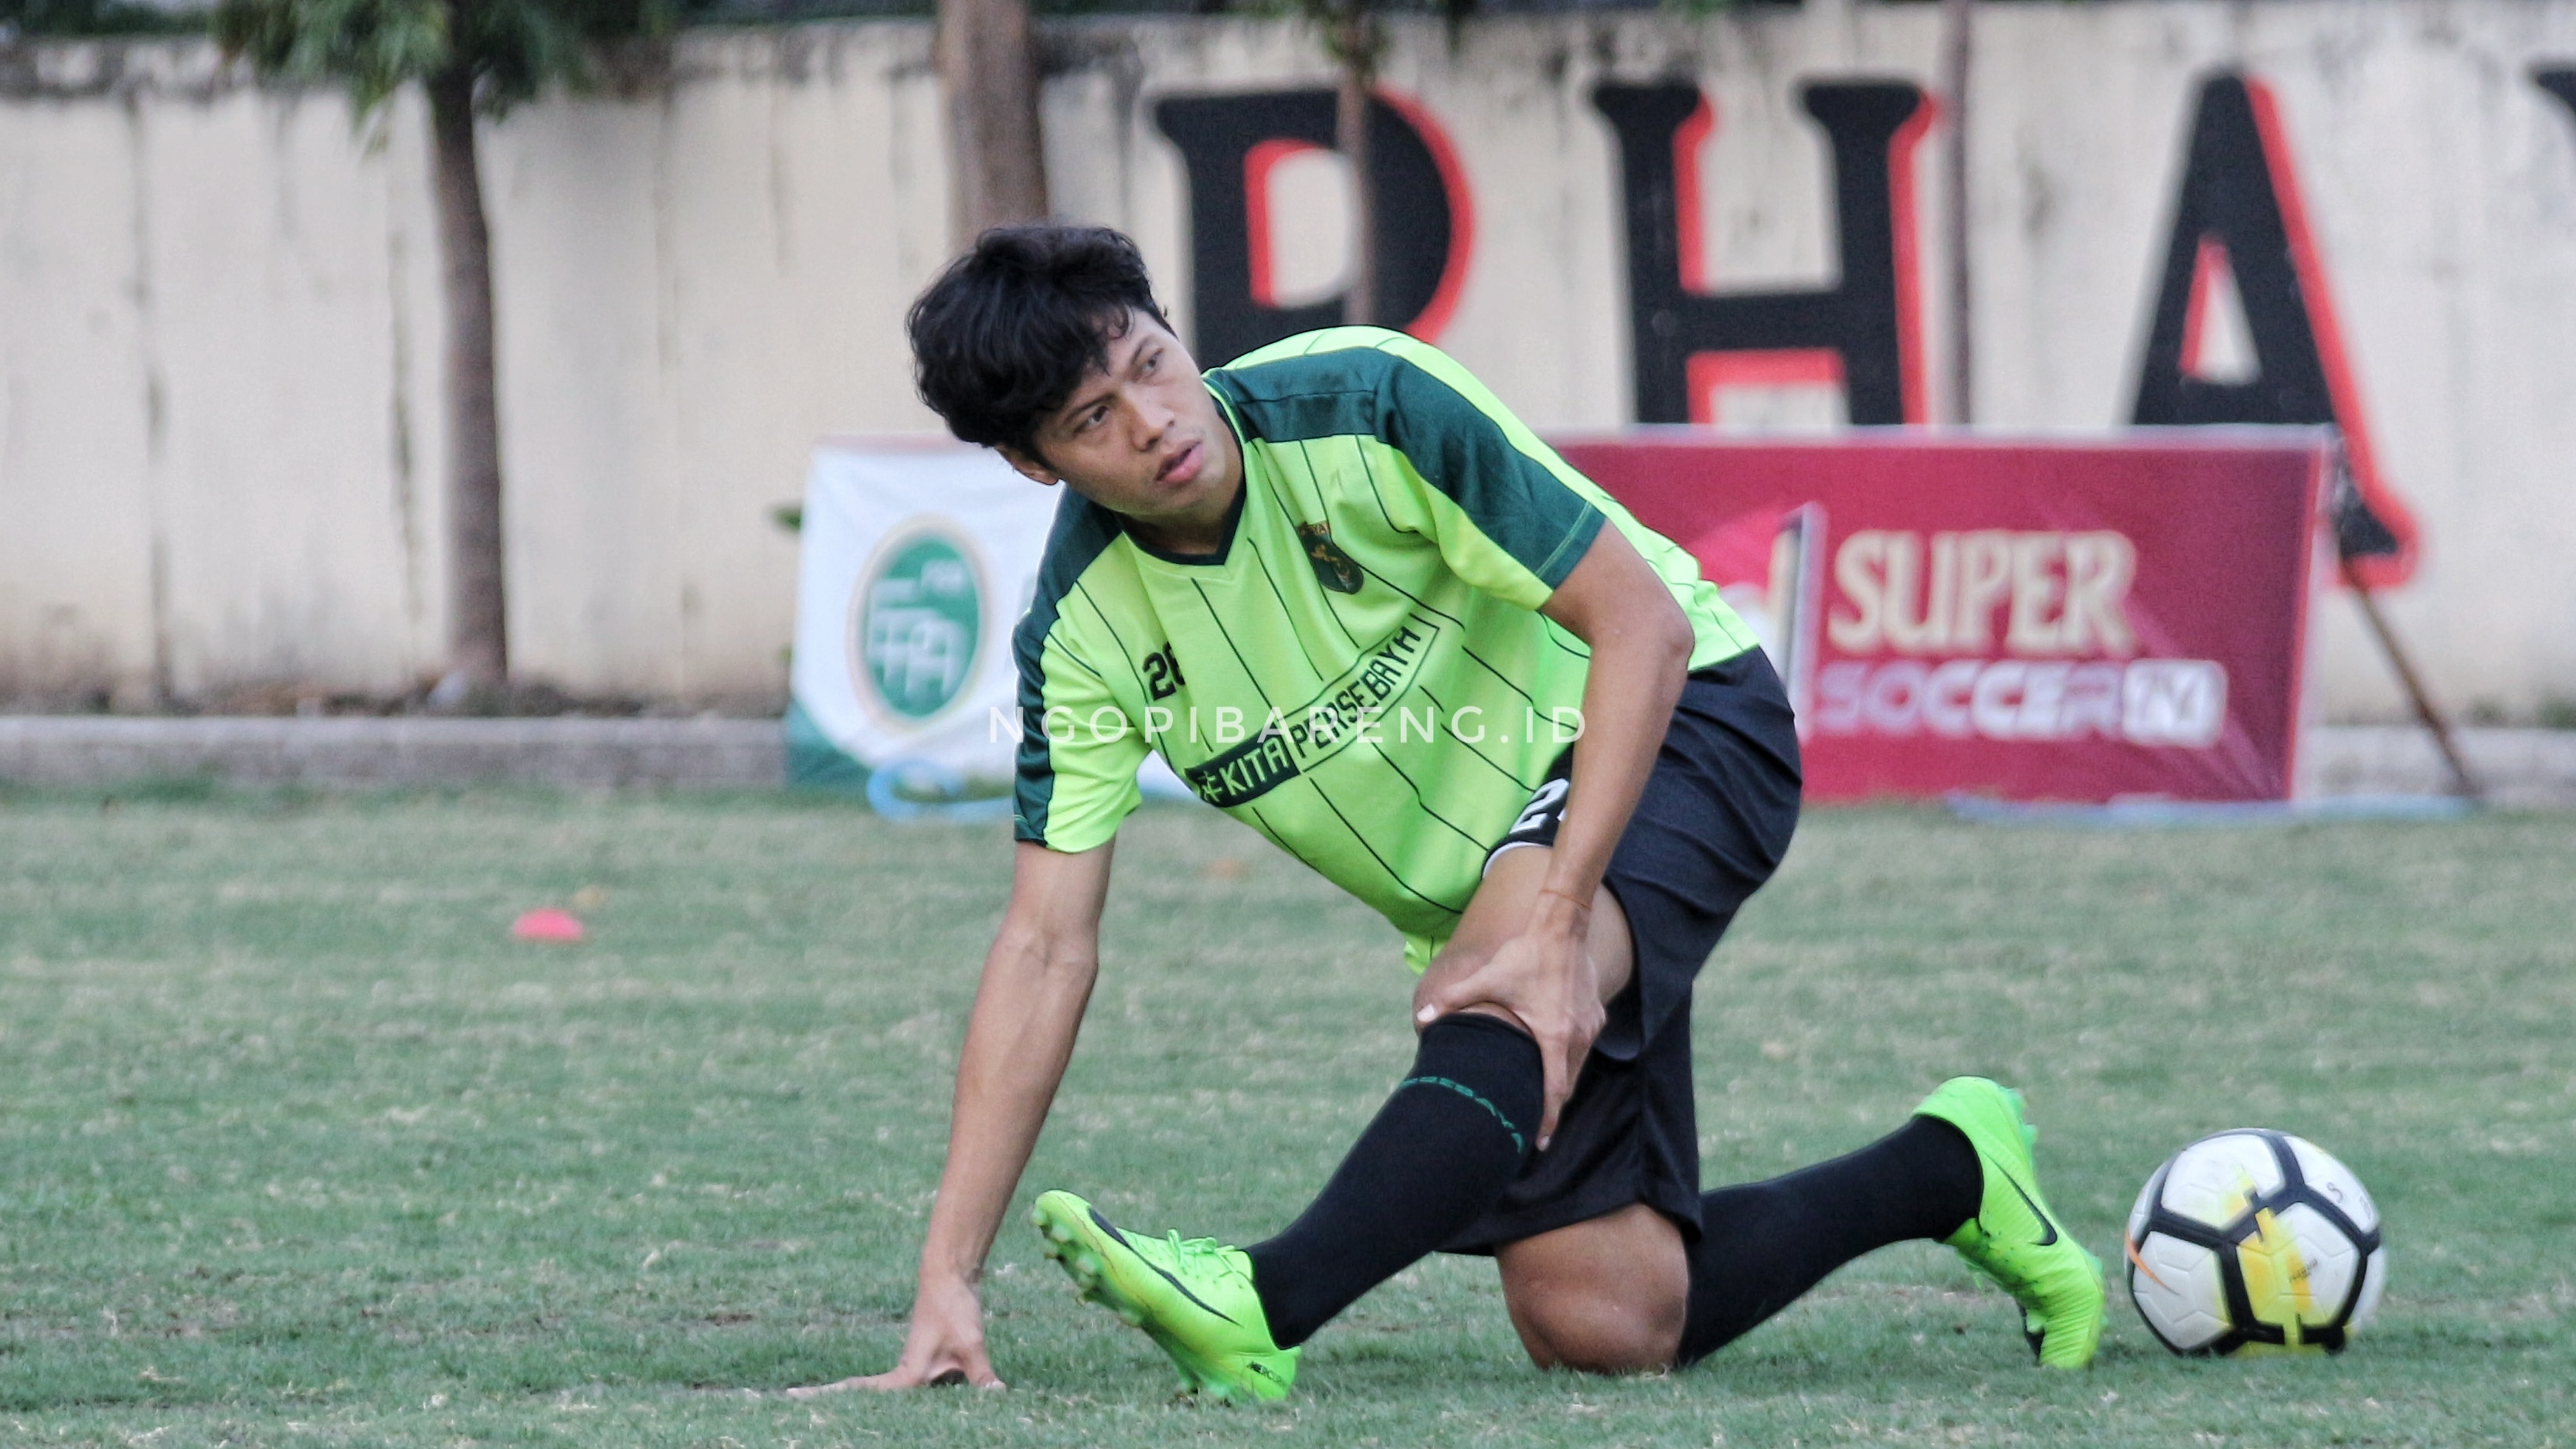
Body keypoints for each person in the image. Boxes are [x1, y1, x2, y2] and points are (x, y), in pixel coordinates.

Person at [792, 224, 2102, 1402]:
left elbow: (1635, 619)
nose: (1150, 419)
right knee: (1604, 1317)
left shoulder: (1366, 400)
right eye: (1091, 417)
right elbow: (1042, 948)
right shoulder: (1077, 635)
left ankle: (1264, 1300)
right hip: (1496, 881)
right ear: (1033, 465)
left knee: (1500, 985)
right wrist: (947, 1275)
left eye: (1149, 361)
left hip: (1677, 714)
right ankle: (1951, 1167)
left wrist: (1561, 913)